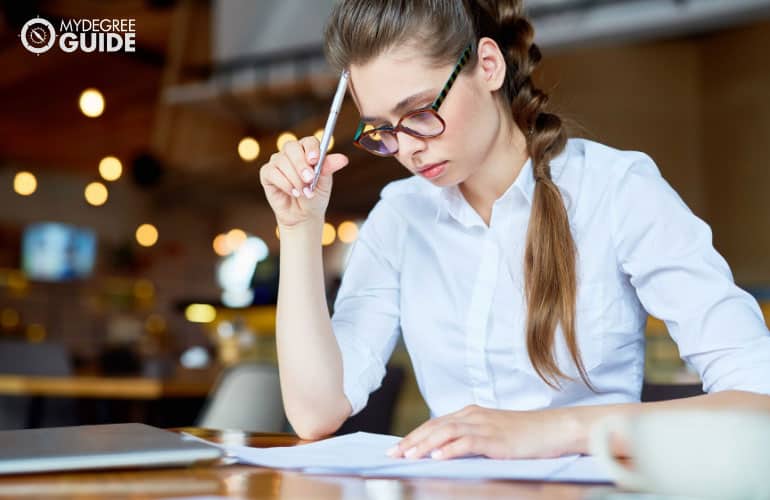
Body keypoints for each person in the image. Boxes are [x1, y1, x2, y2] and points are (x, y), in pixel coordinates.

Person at [259, 0, 770, 460]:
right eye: (383, 129)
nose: (408, 148)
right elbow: (315, 413)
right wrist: (300, 228)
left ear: (487, 65)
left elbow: (760, 404)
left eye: (418, 113)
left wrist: (550, 430)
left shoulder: (616, 191)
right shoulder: (400, 216)